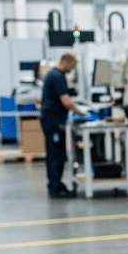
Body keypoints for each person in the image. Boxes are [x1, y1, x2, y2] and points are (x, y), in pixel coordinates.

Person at [39, 52, 91, 198]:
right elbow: (66, 101)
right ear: (66, 63)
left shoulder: (55, 75)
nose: (72, 70)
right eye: (72, 66)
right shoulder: (57, 76)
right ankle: (55, 187)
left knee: (55, 153)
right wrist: (81, 113)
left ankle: (56, 183)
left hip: (53, 120)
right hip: (53, 121)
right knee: (56, 154)